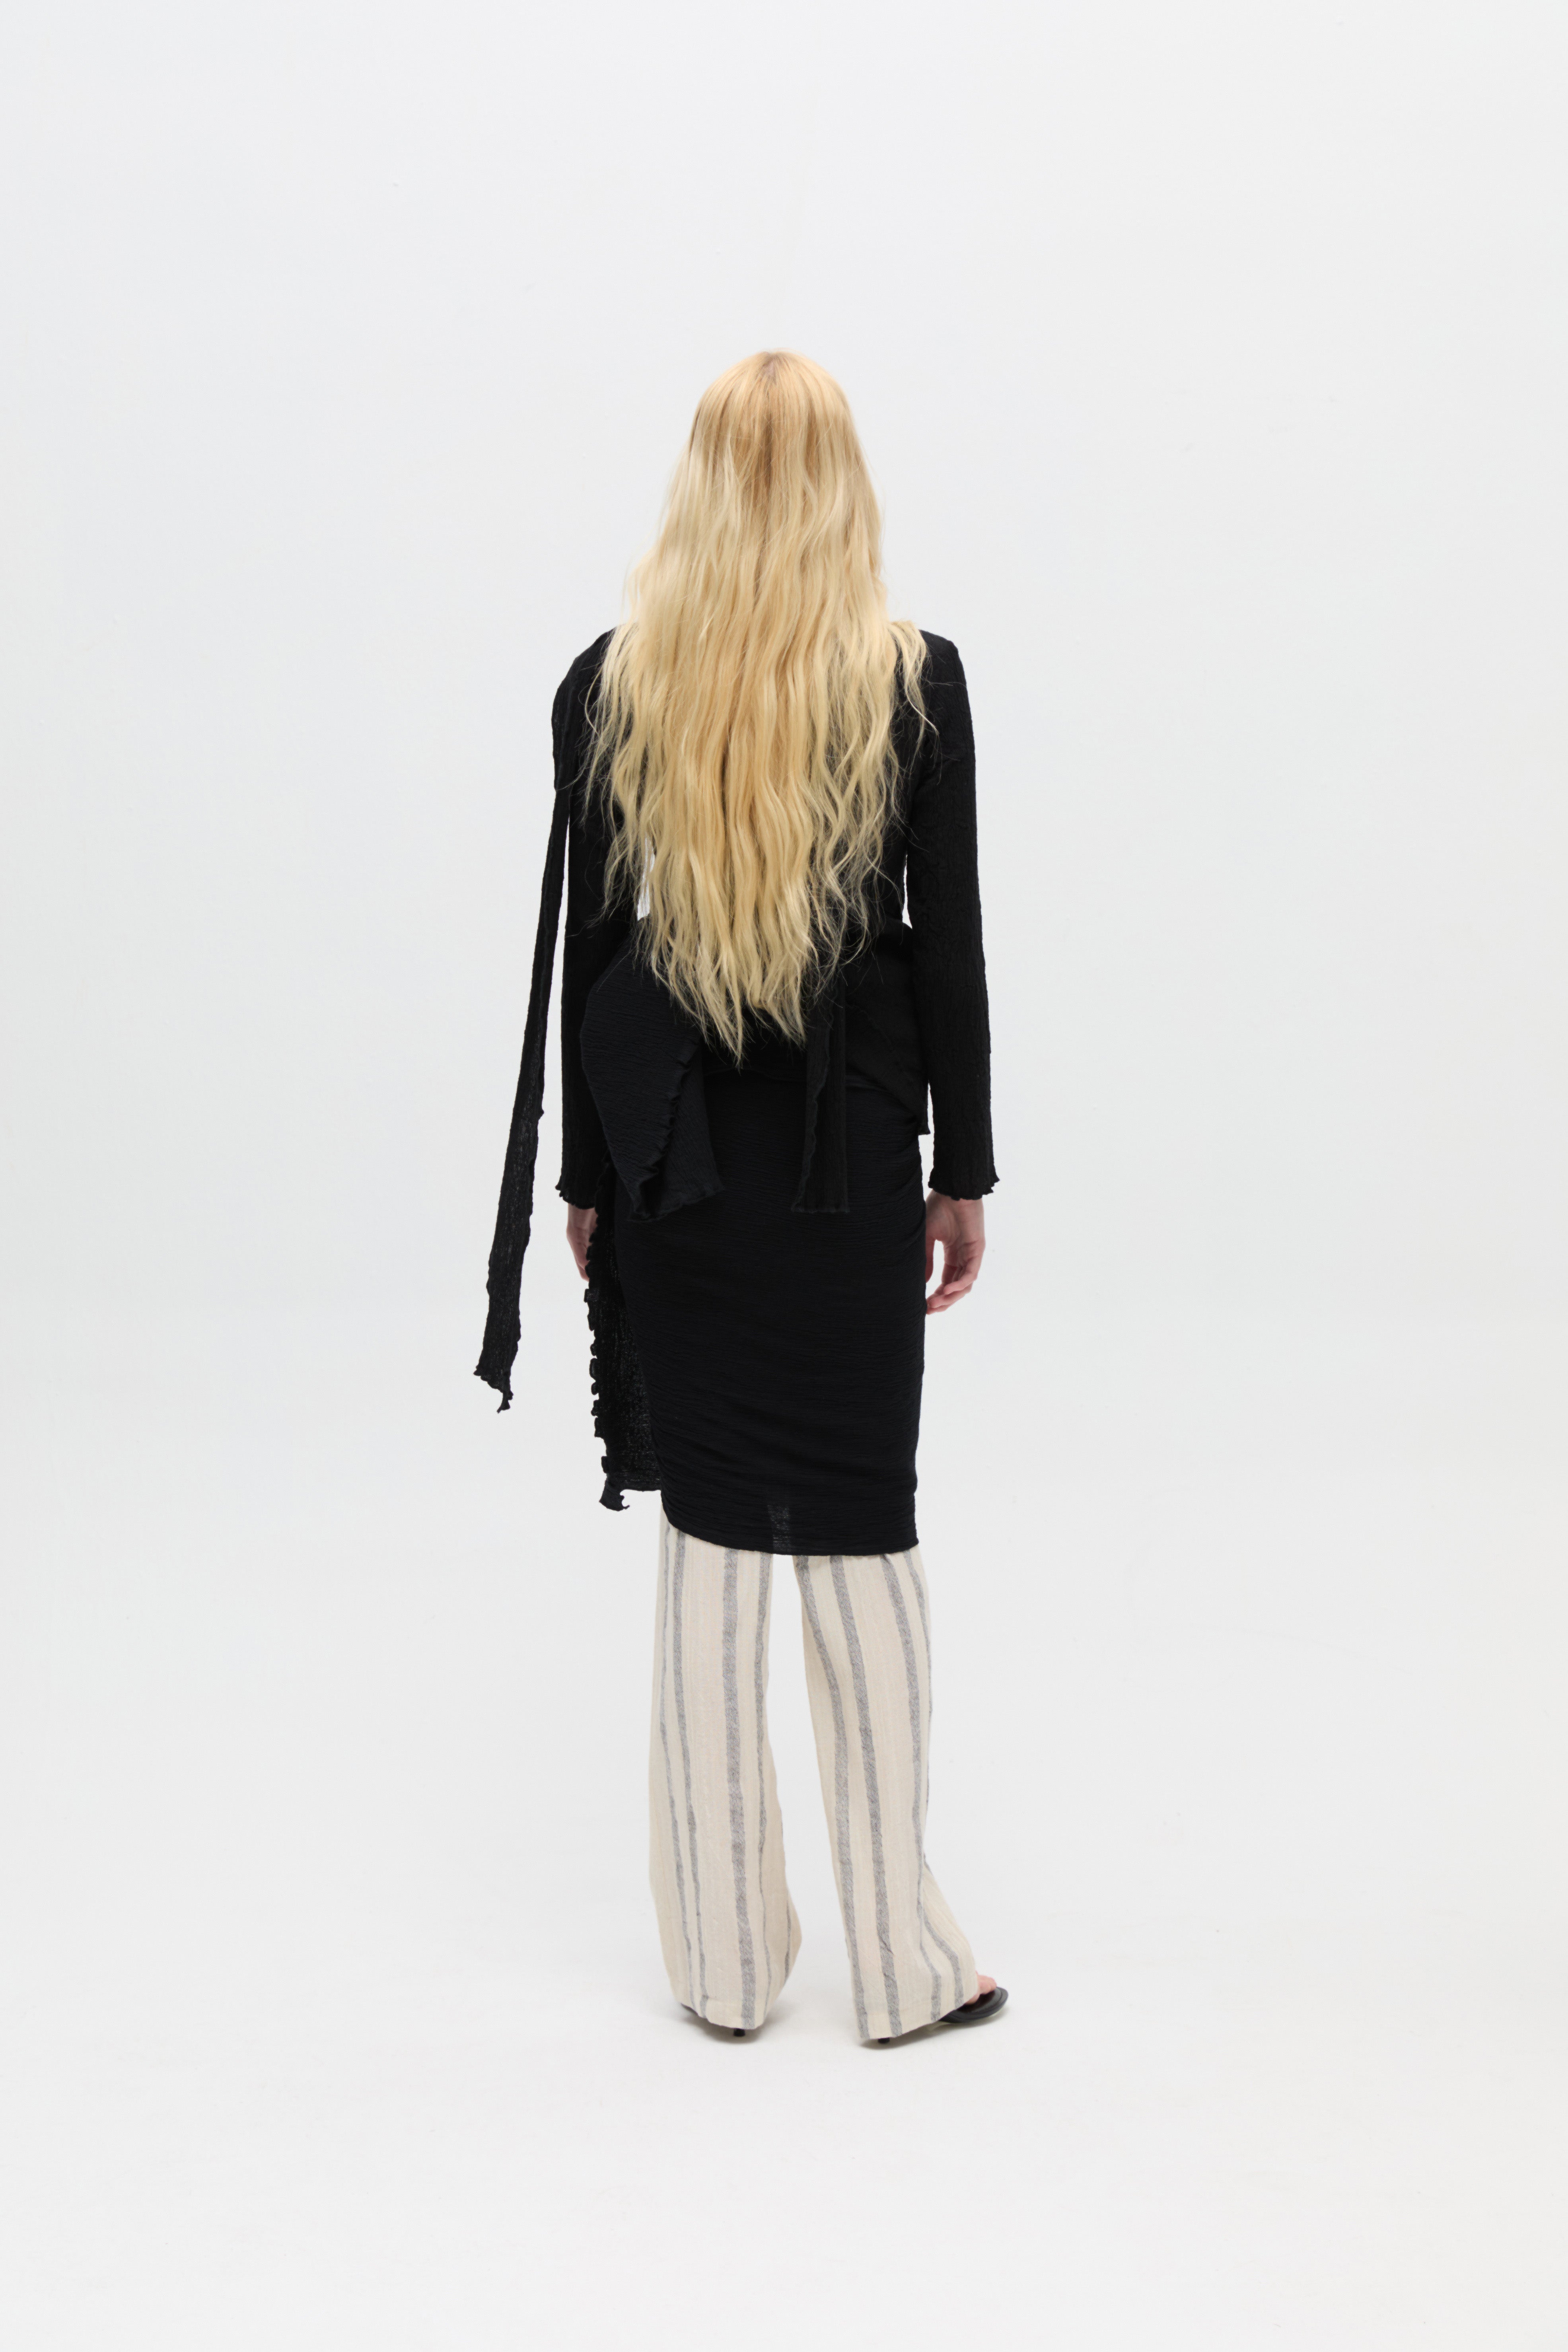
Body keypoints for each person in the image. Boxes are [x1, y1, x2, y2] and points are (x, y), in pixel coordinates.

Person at [476, 351, 1005, 2046]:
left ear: (697, 481)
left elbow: (595, 961)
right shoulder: (915, 684)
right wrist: (962, 1170)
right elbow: (951, 952)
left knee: (711, 1546)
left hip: (682, 1181)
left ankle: (718, 1962)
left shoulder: (610, 683)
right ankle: (901, 1965)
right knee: (860, 1537)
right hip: (848, 1180)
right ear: (845, 484)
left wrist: (589, 1182)